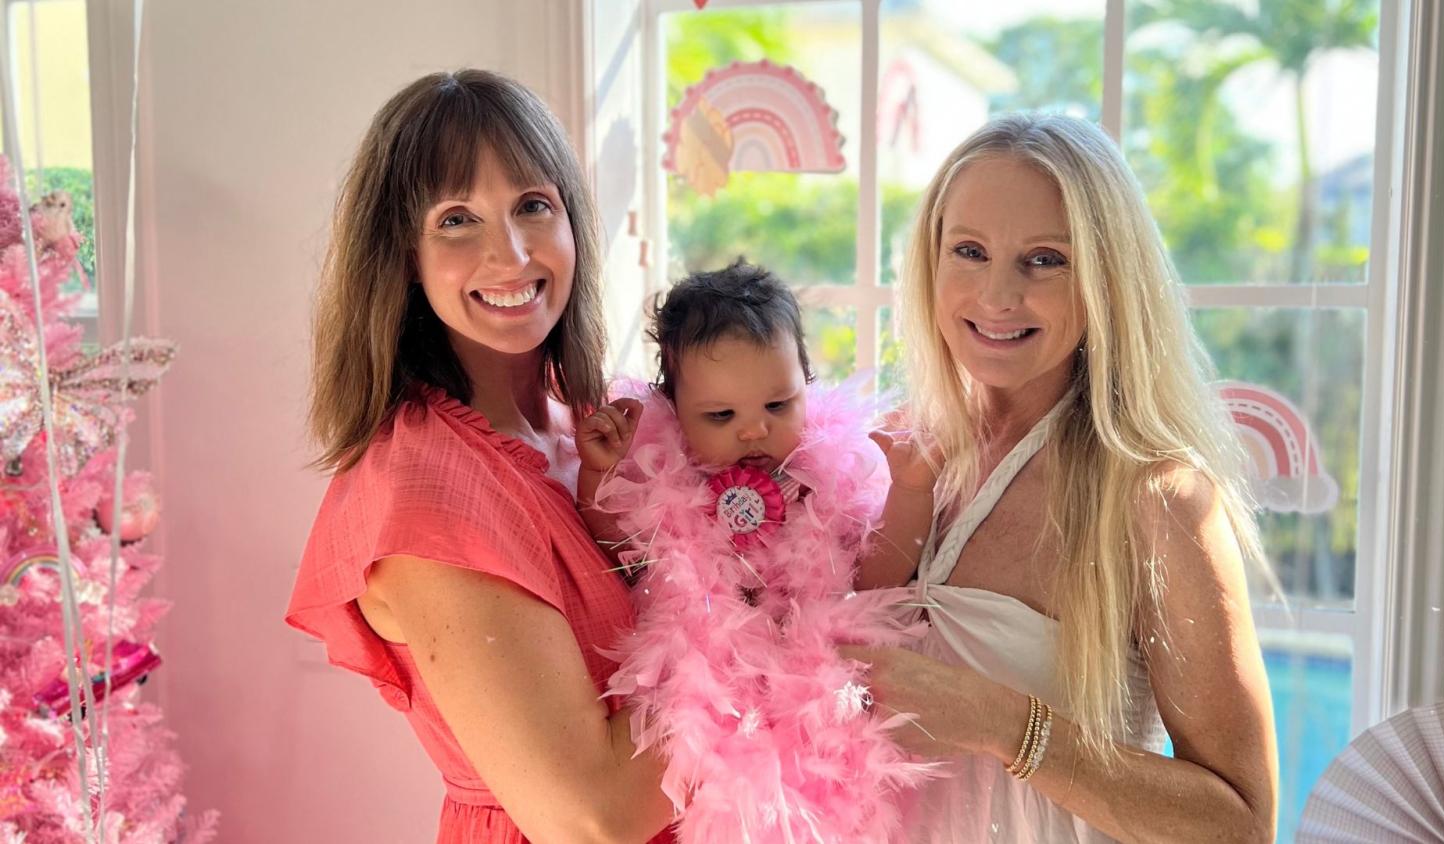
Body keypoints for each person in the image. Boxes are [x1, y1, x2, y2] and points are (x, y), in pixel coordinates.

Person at [851, 113, 1279, 843]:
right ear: (929, 261)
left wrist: (1002, 724)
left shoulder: (1154, 497)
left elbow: (1239, 824)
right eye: (969, 251)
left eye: (1045, 259)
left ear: (1109, 279)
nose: (996, 296)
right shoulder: (887, 459)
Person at [286, 69, 673, 843]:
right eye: (458, 219)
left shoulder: (596, 425)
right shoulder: (426, 490)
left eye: (533, 205)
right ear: (403, 254)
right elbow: (590, 816)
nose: (512, 253)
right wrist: (768, 648)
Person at [575, 260, 940, 842]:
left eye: (778, 406)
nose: (753, 431)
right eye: (720, 415)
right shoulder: (668, 486)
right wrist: (598, 474)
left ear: (808, 383)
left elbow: (878, 578)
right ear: (672, 408)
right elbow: (614, 545)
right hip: (712, 727)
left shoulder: (825, 485)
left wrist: (911, 491)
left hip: (816, 723)